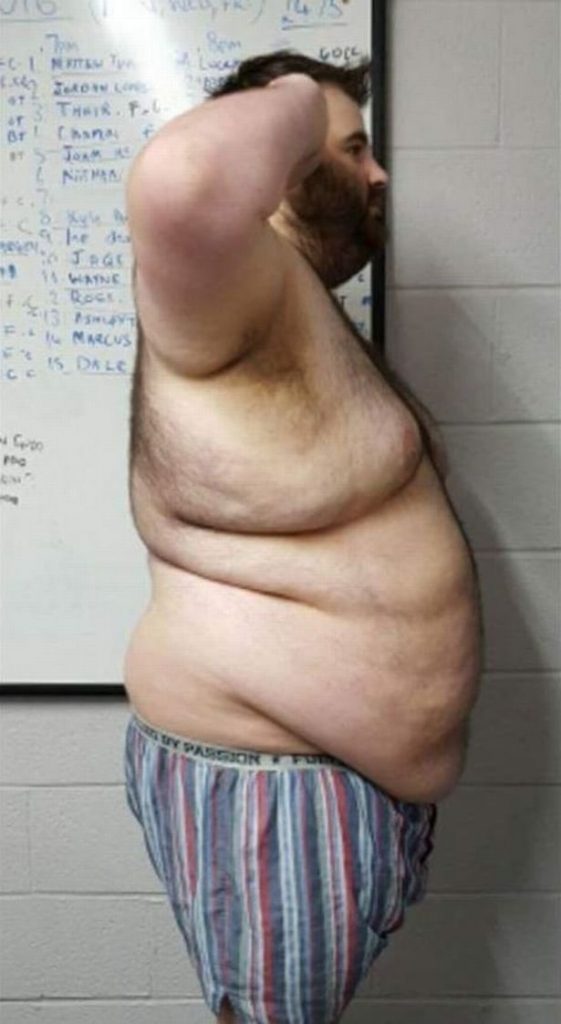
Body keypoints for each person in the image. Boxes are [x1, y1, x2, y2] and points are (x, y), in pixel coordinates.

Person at [122, 50, 482, 1024]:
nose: (378, 175)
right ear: (285, 154)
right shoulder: (225, 285)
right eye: (354, 148)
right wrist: (294, 94)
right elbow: (183, 176)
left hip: (313, 786)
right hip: (273, 790)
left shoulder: (283, 306)